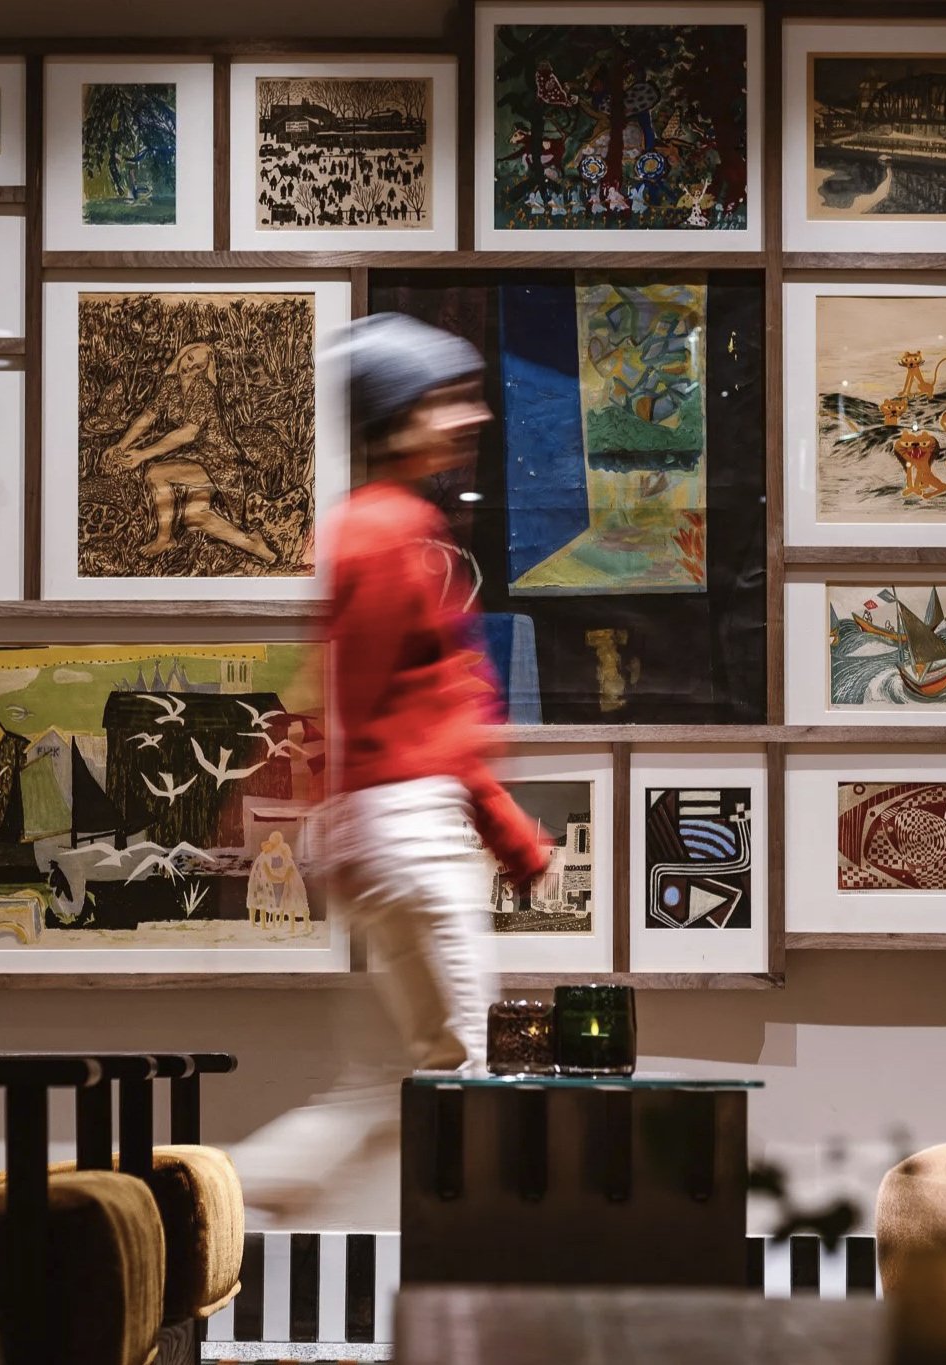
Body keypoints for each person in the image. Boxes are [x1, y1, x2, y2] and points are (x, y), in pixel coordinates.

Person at [231, 313, 548, 1220]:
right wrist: (504, 830)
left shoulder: (388, 526)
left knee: (403, 1078)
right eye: (449, 398)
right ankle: (484, 1300)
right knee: (461, 1080)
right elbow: (380, 718)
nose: (474, 416)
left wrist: (493, 826)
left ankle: (242, 1186)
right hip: (408, 829)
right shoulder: (385, 534)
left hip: (398, 828)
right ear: (396, 414)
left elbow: (404, 714)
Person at [100, 341, 278, 566]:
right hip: (195, 456)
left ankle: (164, 539)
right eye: (190, 358)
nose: (190, 367)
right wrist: (121, 446)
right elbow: (146, 418)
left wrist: (142, 455)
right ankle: (254, 545)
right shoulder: (170, 384)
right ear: (182, 354)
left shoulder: (204, 390)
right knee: (196, 516)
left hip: (218, 460)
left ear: (205, 371)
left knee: (156, 473)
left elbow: (187, 434)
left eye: (198, 367)